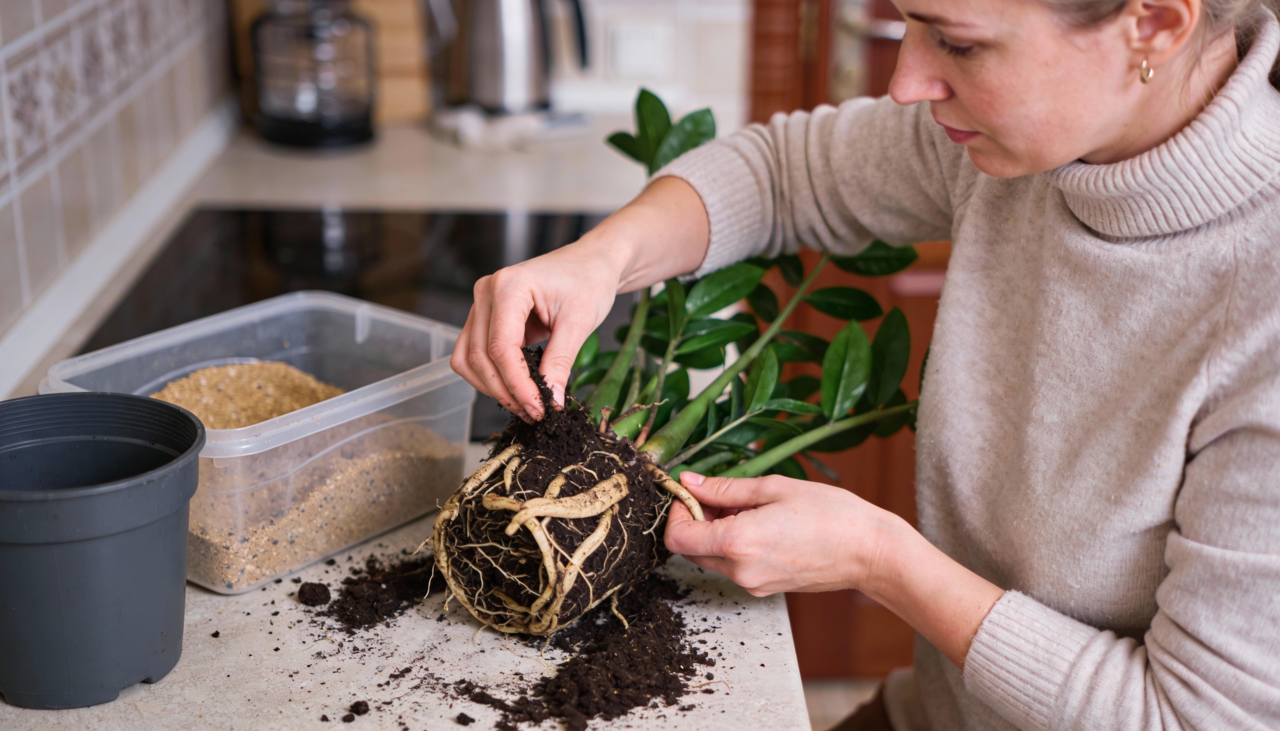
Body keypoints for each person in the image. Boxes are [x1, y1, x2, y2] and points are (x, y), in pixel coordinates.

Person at [450, 0, 1280, 728]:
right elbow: (781, 173)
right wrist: (604, 257)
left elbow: (1191, 716)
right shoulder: (1027, 139)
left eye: (956, 42)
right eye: (908, 22)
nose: (907, 81)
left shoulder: (1262, 310)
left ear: (1156, 24)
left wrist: (883, 562)